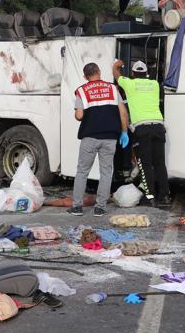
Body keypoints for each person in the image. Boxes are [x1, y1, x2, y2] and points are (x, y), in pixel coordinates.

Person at [69, 63, 129, 216]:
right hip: (110, 138)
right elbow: (123, 113)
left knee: (82, 172)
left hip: (89, 137)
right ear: (99, 72)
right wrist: (124, 132)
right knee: (106, 173)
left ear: (85, 76)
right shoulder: (112, 88)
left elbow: (79, 115)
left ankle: (77, 207)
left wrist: (77, 111)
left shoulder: (81, 91)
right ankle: (100, 208)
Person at [112, 59, 170, 208]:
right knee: (159, 164)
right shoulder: (155, 84)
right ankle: (164, 197)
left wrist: (116, 65)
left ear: (132, 74)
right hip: (158, 127)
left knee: (145, 165)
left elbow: (116, 75)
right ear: (147, 73)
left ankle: (150, 197)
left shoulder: (130, 84)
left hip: (142, 129)